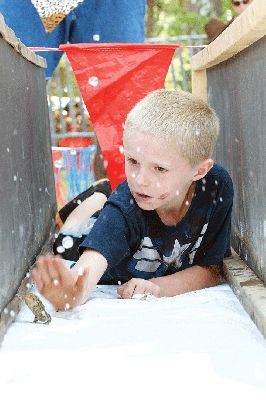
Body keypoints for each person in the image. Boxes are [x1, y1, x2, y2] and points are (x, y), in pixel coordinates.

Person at [32, 89, 234, 310]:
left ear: (199, 171)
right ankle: (97, 196)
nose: (140, 180)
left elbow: (212, 270)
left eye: (160, 168)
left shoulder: (216, 187)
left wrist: (158, 287)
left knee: (112, 198)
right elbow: (89, 266)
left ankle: (101, 193)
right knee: (64, 241)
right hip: (84, 238)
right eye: (133, 160)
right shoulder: (126, 204)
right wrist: (71, 294)